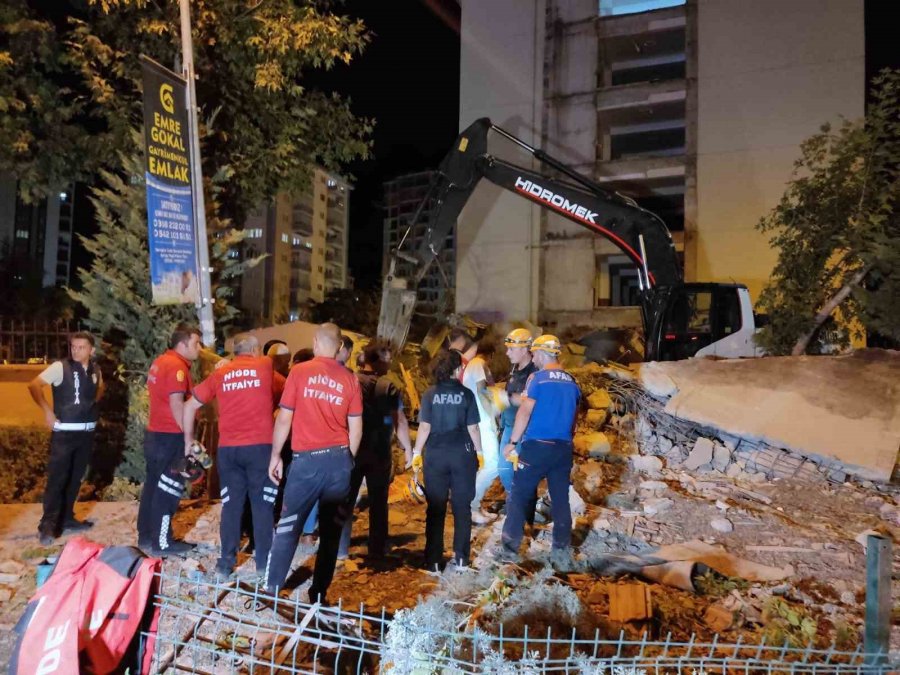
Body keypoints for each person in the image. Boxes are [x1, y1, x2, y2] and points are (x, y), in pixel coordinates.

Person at [265, 323, 363, 603]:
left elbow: (284, 418)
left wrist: (275, 455)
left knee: (288, 525)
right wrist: (348, 460)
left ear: (316, 343)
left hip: (306, 463)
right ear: (340, 348)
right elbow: (356, 428)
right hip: (338, 462)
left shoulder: (299, 372)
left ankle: (272, 590)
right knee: (331, 532)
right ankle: (318, 594)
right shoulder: (350, 379)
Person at [182, 335, 282, 577]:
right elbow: (288, 396)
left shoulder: (221, 374)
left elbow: (189, 405)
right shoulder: (266, 366)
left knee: (231, 506)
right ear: (257, 350)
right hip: (260, 449)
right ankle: (263, 567)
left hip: (229, 450)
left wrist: (188, 441)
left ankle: (225, 565)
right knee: (262, 507)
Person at [499, 335, 580, 570]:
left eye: (534, 354)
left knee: (519, 495)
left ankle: (509, 550)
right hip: (563, 449)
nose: (533, 358)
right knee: (560, 499)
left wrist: (512, 442)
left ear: (543, 354)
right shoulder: (572, 381)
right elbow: (574, 419)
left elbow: (524, 412)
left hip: (537, 447)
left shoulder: (537, 378)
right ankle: (561, 553)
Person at [337, 342, 413, 560]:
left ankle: (340, 549)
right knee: (379, 501)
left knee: (347, 498)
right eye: (386, 358)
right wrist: (408, 448)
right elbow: (400, 421)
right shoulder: (388, 386)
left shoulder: (348, 380)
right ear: (375, 361)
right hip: (379, 451)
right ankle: (377, 549)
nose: (390, 362)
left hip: (351, 448)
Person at [28, 331, 105, 545]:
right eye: (73, 347)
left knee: (75, 478)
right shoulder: (60, 367)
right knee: (57, 479)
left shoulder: (96, 369)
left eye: (81, 347)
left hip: (86, 432)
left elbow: (100, 388)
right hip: (65, 433)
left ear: (92, 350)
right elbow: (34, 385)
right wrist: (47, 411)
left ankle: (67, 518)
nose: (76, 350)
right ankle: (48, 525)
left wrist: (93, 405)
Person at [411, 349, 482, 571]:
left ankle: (433, 562)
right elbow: (473, 427)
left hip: (435, 456)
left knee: (436, 508)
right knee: (462, 507)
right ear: (458, 369)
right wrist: (480, 453)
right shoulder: (467, 395)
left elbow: (424, 426)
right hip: (462, 455)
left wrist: (416, 453)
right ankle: (461, 559)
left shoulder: (430, 394)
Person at [137, 323, 202, 556]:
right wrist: (188, 438)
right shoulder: (177, 367)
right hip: (171, 437)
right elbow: (177, 403)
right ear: (182, 343)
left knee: (153, 487)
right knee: (169, 489)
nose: (199, 348)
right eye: (196, 343)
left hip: (155, 434)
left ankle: (145, 536)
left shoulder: (160, 361)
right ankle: (163, 542)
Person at [449, 331, 500, 525]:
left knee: (485, 464)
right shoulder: (479, 364)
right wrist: (493, 414)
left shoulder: (472, 366)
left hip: (478, 419)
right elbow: (482, 391)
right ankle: (470, 506)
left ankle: (474, 506)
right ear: (491, 354)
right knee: (493, 464)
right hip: (483, 421)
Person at [497, 329, 537, 494]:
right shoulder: (515, 369)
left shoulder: (534, 372)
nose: (507, 353)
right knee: (507, 470)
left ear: (523, 349)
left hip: (523, 430)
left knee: (512, 470)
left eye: (511, 349)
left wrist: (507, 397)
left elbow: (533, 400)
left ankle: (519, 509)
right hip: (509, 426)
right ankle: (515, 504)